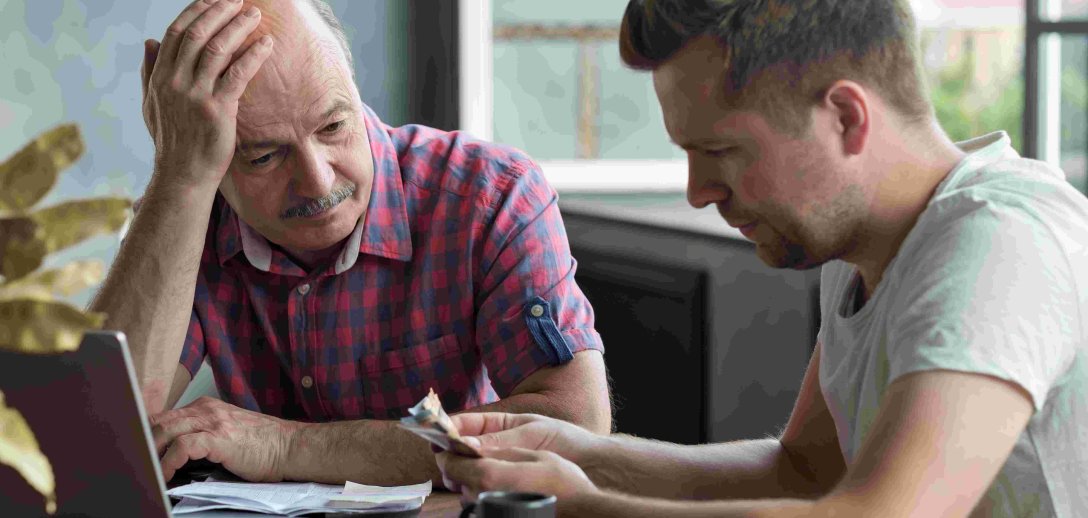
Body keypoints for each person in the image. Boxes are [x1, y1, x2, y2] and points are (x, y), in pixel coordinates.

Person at [434, 0, 1088, 516]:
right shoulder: (860, 248)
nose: (698, 191)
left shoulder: (1000, 241)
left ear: (845, 117)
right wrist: (579, 455)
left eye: (720, 152)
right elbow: (803, 471)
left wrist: (585, 508)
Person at [89, 0, 610, 486]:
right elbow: (99, 432)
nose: (318, 182)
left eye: (334, 125)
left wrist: (286, 447)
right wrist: (178, 177)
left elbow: (574, 426)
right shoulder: (189, 215)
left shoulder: (489, 195)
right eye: (264, 157)